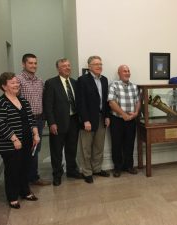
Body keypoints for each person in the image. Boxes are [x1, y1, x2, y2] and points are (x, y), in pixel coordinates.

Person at [0, 72, 40, 209]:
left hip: (27, 140)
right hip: (10, 144)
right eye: (12, 83)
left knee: (25, 167)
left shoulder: (23, 101)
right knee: (12, 170)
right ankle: (13, 197)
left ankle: (25, 191)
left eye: (17, 82)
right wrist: (14, 139)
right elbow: (0, 123)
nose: (16, 85)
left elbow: (31, 119)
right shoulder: (1, 102)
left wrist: (36, 134)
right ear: (4, 86)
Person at [43, 58, 82, 186]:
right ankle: (57, 174)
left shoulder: (75, 83)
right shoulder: (51, 83)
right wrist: (51, 123)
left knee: (72, 148)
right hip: (58, 123)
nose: (67, 68)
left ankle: (71, 170)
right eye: (64, 66)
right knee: (56, 150)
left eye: (69, 65)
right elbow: (48, 105)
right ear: (58, 68)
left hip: (74, 120)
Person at [16, 53, 51, 186]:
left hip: (39, 120)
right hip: (25, 121)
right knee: (25, 150)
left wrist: (45, 118)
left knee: (35, 149)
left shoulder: (39, 81)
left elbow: (43, 100)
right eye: (30, 63)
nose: (33, 65)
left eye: (35, 63)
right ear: (23, 64)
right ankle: (24, 179)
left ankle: (33, 177)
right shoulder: (18, 80)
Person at [76, 56, 110, 184]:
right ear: (89, 66)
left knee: (99, 146)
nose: (99, 66)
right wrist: (85, 120)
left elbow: (106, 100)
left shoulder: (104, 80)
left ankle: (97, 169)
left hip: (101, 118)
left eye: (100, 64)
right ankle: (87, 172)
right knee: (86, 148)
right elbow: (81, 102)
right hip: (88, 120)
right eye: (96, 64)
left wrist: (107, 116)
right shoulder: (82, 80)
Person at [108, 65, 140, 177]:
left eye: (128, 71)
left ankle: (129, 166)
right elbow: (111, 102)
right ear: (119, 73)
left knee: (130, 144)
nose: (127, 73)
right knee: (116, 144)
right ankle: (117, 168)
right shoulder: (114, 85)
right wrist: (123, 114)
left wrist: (136, 113)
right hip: (117, 120)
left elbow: (138, 101)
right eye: (124, 71)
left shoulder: (134, 86)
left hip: (131, 120)